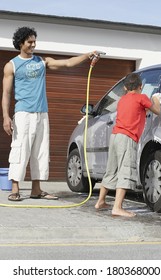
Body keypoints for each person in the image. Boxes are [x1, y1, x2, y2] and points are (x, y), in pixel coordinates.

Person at [2, 26, 98, 201]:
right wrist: (6, 117)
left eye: (34, 41)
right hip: (23, 113)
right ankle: (15, 189)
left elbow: (67, 63)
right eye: (30, 42)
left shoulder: (41, 61)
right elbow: (6, 93)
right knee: (20, 150)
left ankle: (36, 190)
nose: (33, 44)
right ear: (21, 43)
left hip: (42, 114)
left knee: (40, 151)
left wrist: (86, 56)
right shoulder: (12, 65)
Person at [95, 73, 161, 217]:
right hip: (127, 138)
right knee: (126, 170)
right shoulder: (142, 98)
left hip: (115, 136)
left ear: (125, 87)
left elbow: (136, 110)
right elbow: (157, 110)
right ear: (140, 86)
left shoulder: (122, 100)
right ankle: (117, 208)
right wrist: (156, 99)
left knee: (111, 169)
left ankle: (100, 201)